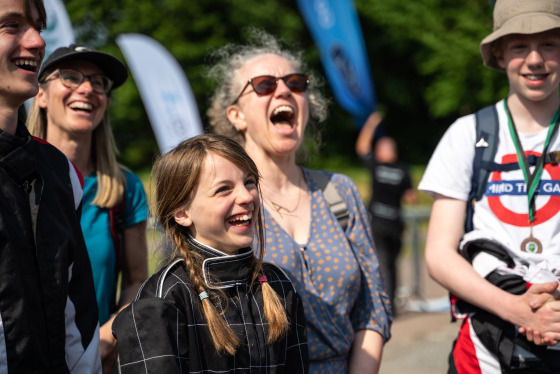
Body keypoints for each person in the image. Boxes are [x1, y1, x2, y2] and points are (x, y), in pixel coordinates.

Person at [207, 30, 391, 374]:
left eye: (295, 82)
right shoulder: (225, 202)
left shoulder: (340, 191)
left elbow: (373, 308)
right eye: (263, 84)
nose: (283, 90)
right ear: (236, 115)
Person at [419, 0, 560, 372]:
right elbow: (438, 254)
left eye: (549, 44)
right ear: (498, 55)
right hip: (486, 349)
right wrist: (519, 311)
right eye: (519, 46)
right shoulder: (467, 134)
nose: (534, 59)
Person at [112, 134, 308, 373]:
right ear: (182, 212)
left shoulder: (280, 286)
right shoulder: (164, 298)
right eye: (223, 189)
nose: (246, 197)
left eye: (249, 182)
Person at [26, 44, 149, 373]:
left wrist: (112, 334)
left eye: (99, 82)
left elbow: (138, 279)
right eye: (70, 77)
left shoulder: (125, 188)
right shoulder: (13, 177)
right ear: (40, 94)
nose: (87, 89)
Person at [0, 0, 102, 372]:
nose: (37, 41)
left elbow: (78, 317)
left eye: (39, 27)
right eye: (11, 25)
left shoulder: (58, 170)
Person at [355, 111, 417, 311]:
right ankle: (388, 304)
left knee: (382, 263)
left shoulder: (379, 166)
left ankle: (383, 305)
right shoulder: (402, 170)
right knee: (390, 265)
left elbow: (362, 147)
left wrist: (372, 122)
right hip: (389, 224)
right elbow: (411, 196)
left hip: (383, 224)